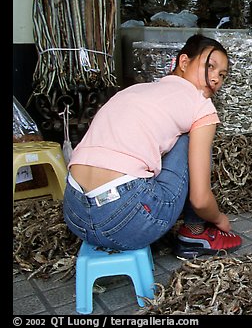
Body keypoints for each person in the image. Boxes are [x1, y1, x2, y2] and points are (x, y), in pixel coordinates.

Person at [63, 34, 242, 258]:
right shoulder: (201, 106)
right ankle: (195, 234)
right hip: (128, 220)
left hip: (74, 213)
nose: (215, 78)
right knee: (188, 139)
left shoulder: (133, 91)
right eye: (211, 66)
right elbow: (200, 199)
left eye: (222, 75)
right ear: (184, 62)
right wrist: (219, 219)